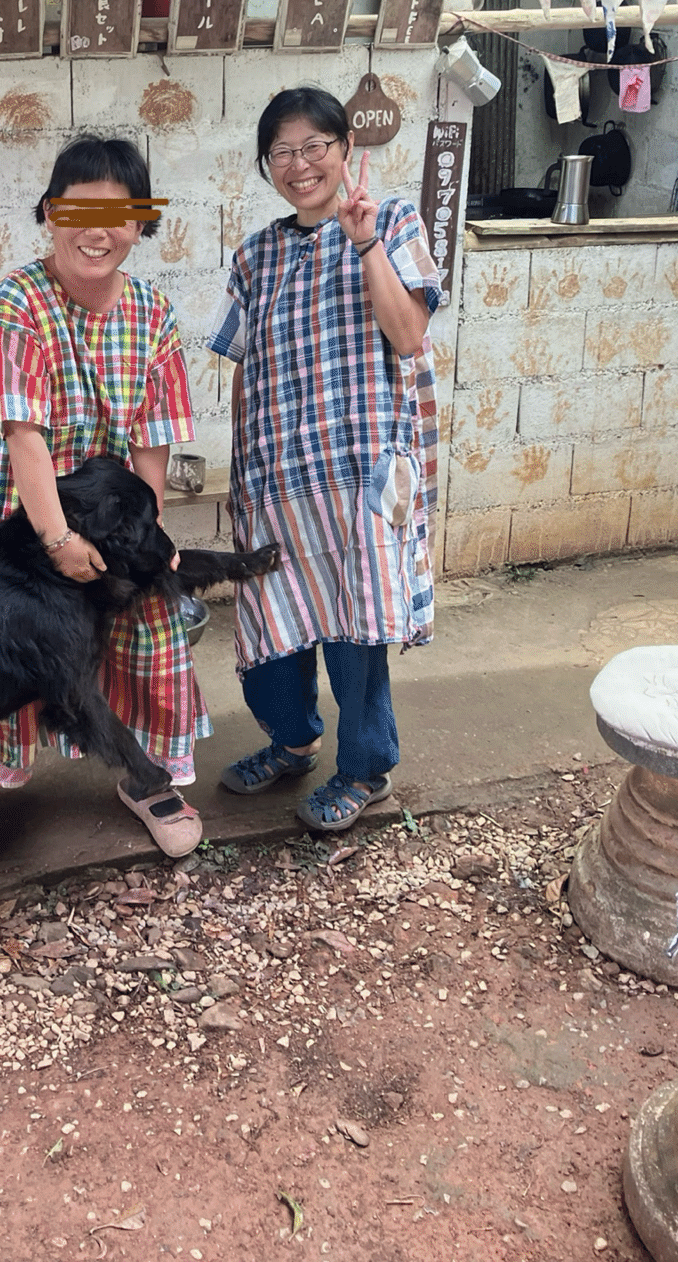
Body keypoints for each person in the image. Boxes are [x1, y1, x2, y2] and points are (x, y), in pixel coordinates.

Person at [0, 135, 206, 868]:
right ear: (51, 213)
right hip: (20, 517)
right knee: (1, 642)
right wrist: (57, 540)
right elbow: (23, 436)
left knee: (146, 629)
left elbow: (152, 438)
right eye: (79, 211)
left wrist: (145, 535)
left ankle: (146, 775)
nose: (98, 231)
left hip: (112, 518)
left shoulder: (152, 313)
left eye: (119, 214)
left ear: (141, 223)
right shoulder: (14, 305)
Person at [207, 86, 441, 832]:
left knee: (353, 629)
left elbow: (409, 334)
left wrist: (365, 242)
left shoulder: (393, 221)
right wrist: (240, 473)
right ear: (266, 164)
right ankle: (293, 740)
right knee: (271, 625)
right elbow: (244, 367)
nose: (299, 164)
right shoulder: (255, 256)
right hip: (277, 478)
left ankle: (366, 768)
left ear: (345, 150)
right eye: (282, 151)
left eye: (315, 146)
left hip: (358, 474)